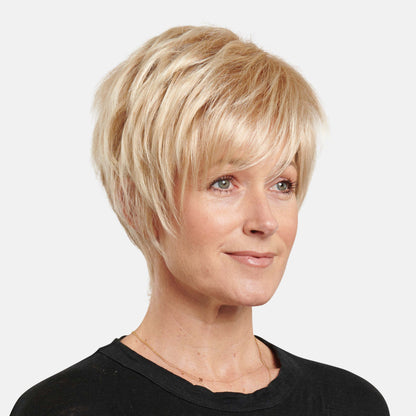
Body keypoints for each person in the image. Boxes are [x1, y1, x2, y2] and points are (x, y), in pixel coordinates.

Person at [10, 25, 390, 415]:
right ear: (135, 201)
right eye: (224, 183)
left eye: (282, 184)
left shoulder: (351, 404)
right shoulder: (68, 408)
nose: (265, 221)